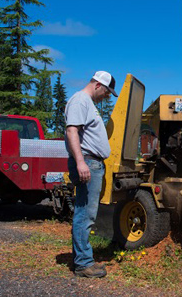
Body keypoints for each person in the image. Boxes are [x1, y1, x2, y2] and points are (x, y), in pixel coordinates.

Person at [64, 71, 118, 278]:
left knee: (87, 213)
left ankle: (85, 259)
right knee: (84, 213)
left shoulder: (87, 103)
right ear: (98, 85)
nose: (107, 96)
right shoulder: (80, 101)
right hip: (87, 161)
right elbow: (72, 132)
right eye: (106, 91)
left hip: (91, 162)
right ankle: (83, 264)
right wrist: (80, 162)